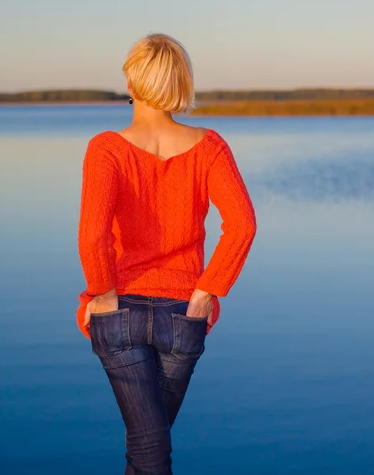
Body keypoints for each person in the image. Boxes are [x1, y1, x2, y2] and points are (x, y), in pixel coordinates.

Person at [76, 33, 257, 474]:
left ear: (133, 83)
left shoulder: (107, 148)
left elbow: (93, 234)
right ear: (180, 84)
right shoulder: (210, 146)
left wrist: (101, 294)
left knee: (147, 450)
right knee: (148, 447)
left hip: (121, 311)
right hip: (183, 315)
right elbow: (243, 226)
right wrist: (206, 293)